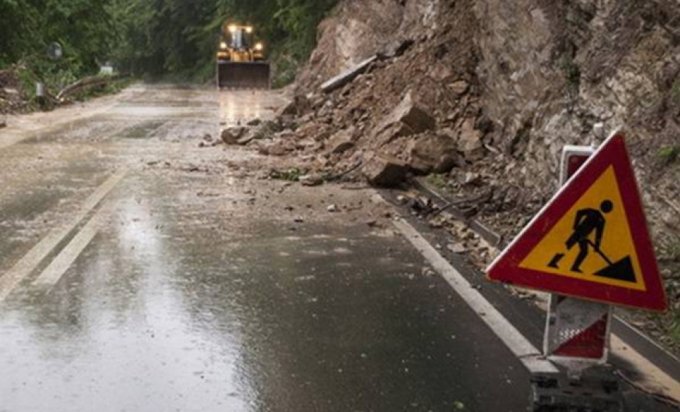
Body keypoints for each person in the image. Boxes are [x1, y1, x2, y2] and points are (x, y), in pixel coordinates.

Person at [548, 200, 613, 273]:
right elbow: (579, 212)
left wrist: (597, 246)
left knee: (582, 251)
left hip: (583, 236)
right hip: (579, 233)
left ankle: (573, 267)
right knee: (567, 247)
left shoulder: (597, 216)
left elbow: (599, 234)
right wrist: (575, 225)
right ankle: (553, 262)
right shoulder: (596, 215)